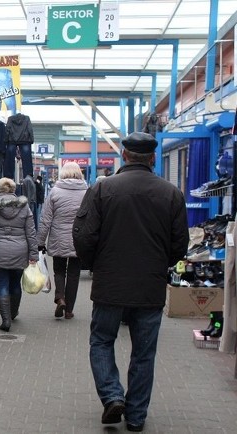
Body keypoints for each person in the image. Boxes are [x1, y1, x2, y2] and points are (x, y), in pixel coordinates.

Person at [72, 132, 189, 432]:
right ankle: (136, 416)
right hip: (150, 286)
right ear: (152, 158)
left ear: (124, 156)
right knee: (144, 352)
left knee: (101, 341)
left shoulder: (102, 189)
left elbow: (84, 235)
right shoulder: (171, 194)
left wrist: (94, 265)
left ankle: (112, 396)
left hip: (110, 283)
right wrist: (159, 264)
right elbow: (180, 246)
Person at [0, 177, 38, 332]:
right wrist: (34, 254)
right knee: (15, 284)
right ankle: (13, 312)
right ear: (13, 190)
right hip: (20, 251)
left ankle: (5, 320)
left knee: (2, 284)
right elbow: (31, 232)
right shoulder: (24, 207)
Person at [36, 162, 88, 320]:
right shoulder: (87, 192)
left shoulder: (54, 192)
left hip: (58, 237)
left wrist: (40, 242)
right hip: (79, 239)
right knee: (74, 274)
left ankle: (60, 297)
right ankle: (69, 310)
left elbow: (46, 219)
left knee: (59, 270)